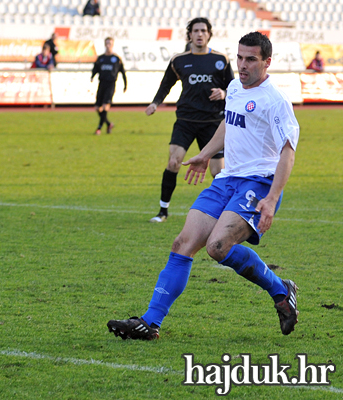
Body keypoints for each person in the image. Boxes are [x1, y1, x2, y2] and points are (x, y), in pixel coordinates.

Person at [107, 31, 300, 341]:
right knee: (183, 243)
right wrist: (205, 154)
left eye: (250, 59)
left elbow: (288, 152)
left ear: (267, 62)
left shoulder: (275, 101)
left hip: (259, 182)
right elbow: (228, 123)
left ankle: (280, 290)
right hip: (228, 178)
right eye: (239, 57)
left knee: (217, 247)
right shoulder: (235, 87)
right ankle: (149, 322)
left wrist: (272, 197)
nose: (242, 65)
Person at [146, 18, 234, 223]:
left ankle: (227, 212)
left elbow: (234, 88)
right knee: (174, 161)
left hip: (213, 122)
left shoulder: (221, 59)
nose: (200, 34)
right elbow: (166, 84)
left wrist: (223, 92)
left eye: (203, 30)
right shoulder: (179, 60)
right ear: (190, 35)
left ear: (209, 34)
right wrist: (155, 103)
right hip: (185, 120)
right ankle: (163, 211)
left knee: (218, 171)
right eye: (196, 31)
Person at [90, 37, 127, 135]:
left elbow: (122, 72)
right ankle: (109, 123)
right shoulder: (101, 58)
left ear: (112, 45)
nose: (108, 45)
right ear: (104, 44)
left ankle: (99, 128)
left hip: (111, 84)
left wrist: (125, 84)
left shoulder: (116, 59)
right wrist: (92, 76)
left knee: (105, 106)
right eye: (107, 43)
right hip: (101, 83)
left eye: (110, 43)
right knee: (98, 108)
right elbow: (95, 69)